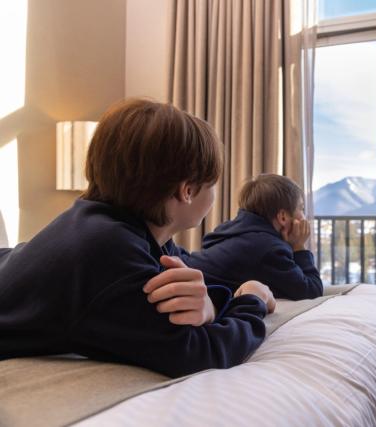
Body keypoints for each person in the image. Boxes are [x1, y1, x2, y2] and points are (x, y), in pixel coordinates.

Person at [0, 99, 275, 378]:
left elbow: (194, 277)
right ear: (188, 191)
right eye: (212, 184)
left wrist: (212, 306)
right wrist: (253, 300)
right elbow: (201, 352)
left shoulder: (109, 225)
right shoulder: (109, 250)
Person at [185, 174, 323, 300]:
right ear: (283, 217)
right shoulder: (269, 250)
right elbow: (312, 291)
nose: (304, 217)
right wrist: (299, 247)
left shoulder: (232, 231)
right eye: (301, 209)